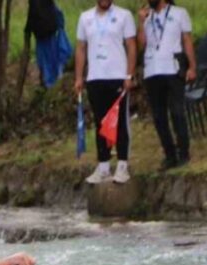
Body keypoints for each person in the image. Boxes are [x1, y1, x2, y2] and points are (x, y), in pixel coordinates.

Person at [74, 0, 137, 184]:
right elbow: (81, 48)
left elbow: (131, 46)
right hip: (95, 78)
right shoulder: (85, 18)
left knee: (119, 123)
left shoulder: (124, 16)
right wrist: (79, 77)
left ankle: (123, 165)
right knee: (101, 123)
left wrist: (129, 75)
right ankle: (103, 166)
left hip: (117, 77)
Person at [137, 0, 196, 170]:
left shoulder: (179, 13)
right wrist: (141, 22)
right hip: (152, 70)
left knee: (177, 111)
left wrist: (192, 66)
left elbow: (187, 40)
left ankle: (183, 151)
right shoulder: (147, 17)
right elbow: (141, 44)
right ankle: (169, 154)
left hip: (172, 68)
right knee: (159, 116)